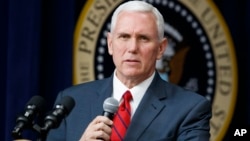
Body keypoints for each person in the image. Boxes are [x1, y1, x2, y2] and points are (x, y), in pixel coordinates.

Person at [46, 1, 212, 141]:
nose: (132, 48)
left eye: (143, 38)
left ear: (161, 48)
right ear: (110, 44)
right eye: (124, 37)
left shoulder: (190, 109)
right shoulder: (72, 102)